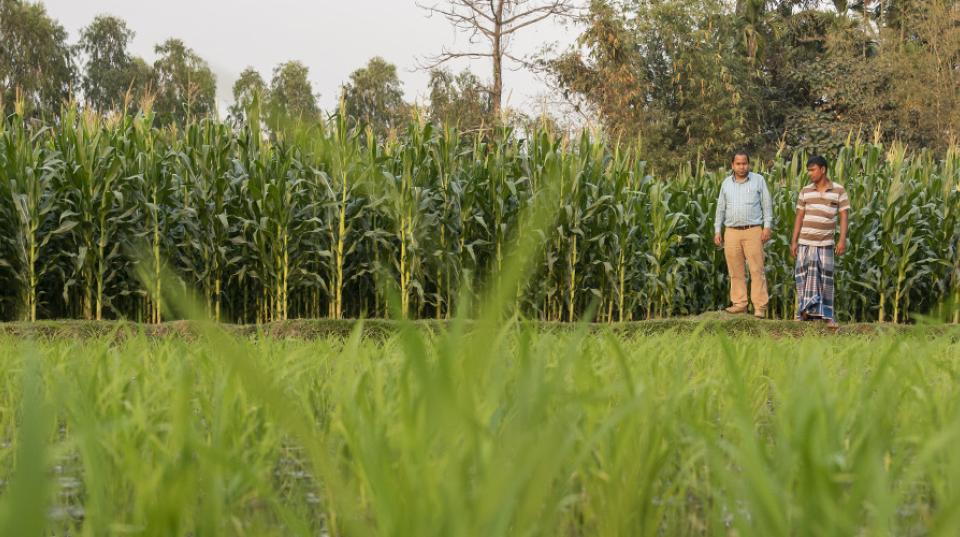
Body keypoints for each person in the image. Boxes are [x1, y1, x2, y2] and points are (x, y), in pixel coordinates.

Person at [790, 155, 850, 329]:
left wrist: (842, 240)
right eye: (808, 170)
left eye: (813, 170)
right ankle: (803, 313)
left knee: (826, 280)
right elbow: (799, 216)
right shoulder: (805, 191)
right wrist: (794, 241)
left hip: (825, 244)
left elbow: (844, 216)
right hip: (805, 242)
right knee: (803, 278)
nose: (810, 173)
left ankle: (828, 317)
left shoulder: (838, 190)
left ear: (823, 170)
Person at [714, 151, 773, 318]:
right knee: (735, 270)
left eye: (744, 163)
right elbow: (720, 209)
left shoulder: (758, 180)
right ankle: (739, 304)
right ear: (732, 165)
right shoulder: (726, 183)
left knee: (757, 269)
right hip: (731, 232)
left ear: (749, 164)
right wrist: (717, 230)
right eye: (738, 164)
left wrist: (767, 227)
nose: (742, 166)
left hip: (753, 230)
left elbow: (767, 205)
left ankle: (759, 307)